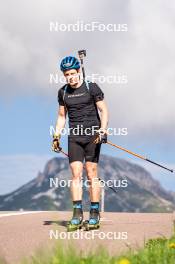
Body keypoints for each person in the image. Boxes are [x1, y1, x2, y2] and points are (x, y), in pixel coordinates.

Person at [52, 55, 109, 231]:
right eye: (66, 74)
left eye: (72, 73)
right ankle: (77, 213)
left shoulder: (91, 87)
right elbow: (62, 116)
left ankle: (94, 212)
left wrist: (103, 129)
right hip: (75, 137)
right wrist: (56, 136)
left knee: (91, 173)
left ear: (78, 72)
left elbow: (104, 110)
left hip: (92, 135)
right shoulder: (63, 92)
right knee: (75, 173)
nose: (70, 77)